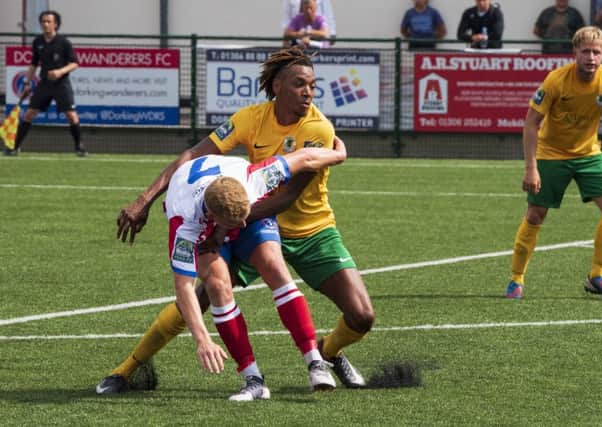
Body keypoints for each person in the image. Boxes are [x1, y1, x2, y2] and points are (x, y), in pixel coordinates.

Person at [97, 46, 373, 394]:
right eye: (300, 84)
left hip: (309, 230)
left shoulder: (318, 127)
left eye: (313, 86)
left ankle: (327, 352)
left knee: (362, 316)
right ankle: (126, 370)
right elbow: (191, 156)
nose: (309, 93)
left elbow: (287, 197)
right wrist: (144, 200)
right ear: (276, 86)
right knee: (200, 297)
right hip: (252, 221)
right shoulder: (250, 119)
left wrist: (224, 226)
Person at [99, 147, 346, 401]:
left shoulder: (255, 179)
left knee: (274, 264)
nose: (240, 226)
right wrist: (202, 339)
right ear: (214, 217)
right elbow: (184, 287)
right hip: (203, 218)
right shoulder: (185, 224)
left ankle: (314, 361)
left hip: (242, 202)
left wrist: (339, 155)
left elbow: (306, 158)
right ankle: (254, 379)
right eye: (233, 224)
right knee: (216, 286)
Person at [504, 26, 602, 300]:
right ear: (575, 53)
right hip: (551, 154)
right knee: (536, 215)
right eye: (585, 51)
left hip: (589, 155)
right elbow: (531, 124)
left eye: (596, 52)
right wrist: (531, 167)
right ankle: (516, 279)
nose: (591, 57)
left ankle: (597, 275)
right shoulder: (556, 81)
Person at [3, 10, 87, 157]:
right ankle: (14, 147)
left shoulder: (64, 42)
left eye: (49, 21)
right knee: (29, 114)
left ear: (56, 24)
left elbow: (74, 64)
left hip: (61, 84)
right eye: (43, 21)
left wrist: (60, 72)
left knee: (72, 116)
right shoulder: (38, 42)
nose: (45, 24)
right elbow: (34, 64)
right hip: (44, 84)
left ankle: (79, 147)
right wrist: (27, 83)